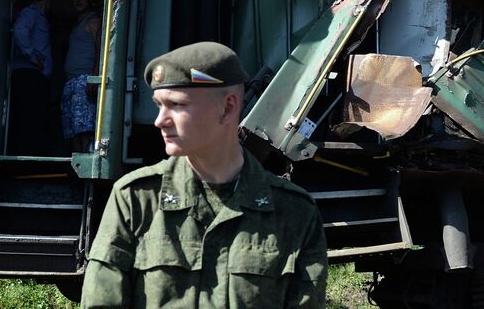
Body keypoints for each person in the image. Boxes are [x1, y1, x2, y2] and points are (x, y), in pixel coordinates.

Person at [81, 42, 328, 308]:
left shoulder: (293, 212)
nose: (159, 120)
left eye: (176, 105)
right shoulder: (137, 200)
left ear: (228, 107)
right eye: (159, 105)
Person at [8, 0, 53, 155]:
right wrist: (33, 58)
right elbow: (19, 31)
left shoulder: (39, 17)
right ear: (47, 0)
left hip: (35, 77)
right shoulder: (31, 13)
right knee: (28, 119)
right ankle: (24, 157)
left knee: (33, 119)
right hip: (29, 76)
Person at [61, 0, 101, 153]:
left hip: (83, 81)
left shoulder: (93, 21)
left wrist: (93, 76)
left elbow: (100, 49)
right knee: (72, 132)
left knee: (84, 130)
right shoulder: (77, 23)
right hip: (70, 82)